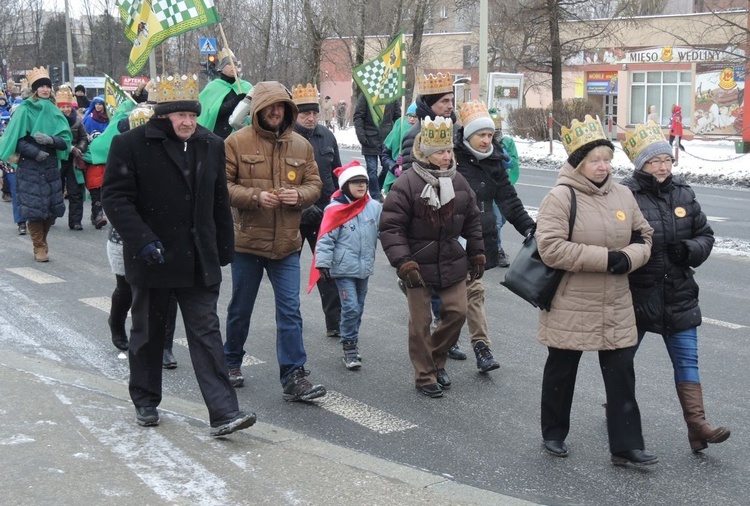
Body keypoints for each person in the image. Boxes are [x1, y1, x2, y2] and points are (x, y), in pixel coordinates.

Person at [102, 74, 255, 436]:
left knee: (206, 334)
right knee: (148, 334)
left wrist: (223, 247)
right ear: (162, 115)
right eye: (180, 115)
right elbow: (116, 198)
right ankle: (145, 399)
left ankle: (223, 412)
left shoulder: (211, 144)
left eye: (192, 115)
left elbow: (219, 198)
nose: (188, 122)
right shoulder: (131, 144)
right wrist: (142, 240)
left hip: (199, 260)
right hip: (152, 259)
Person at [536, 115, 656, 466]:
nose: (603, 167)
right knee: (562, 369)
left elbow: (644, 238)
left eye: (607, 159)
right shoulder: (560, 197)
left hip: (616, 301)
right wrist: (606, 259)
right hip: (571, 300)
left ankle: (626, 446)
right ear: (579, 163)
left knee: (622, 375)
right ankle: (554, 433)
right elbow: (551, 248)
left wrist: (628, 259)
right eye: (595, 160)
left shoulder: (623, 194)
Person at [621, 121, 730, 453]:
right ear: (641, 164)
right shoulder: (625, 195)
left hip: (680, 292)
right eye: (654, 161)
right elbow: (613, 240)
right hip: (638, 293)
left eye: (666, 159)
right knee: (623, 361)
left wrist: (690, 251)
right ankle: (618, 411)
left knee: (687, 361)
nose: (663, 166)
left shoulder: (684, 193)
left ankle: (698, 427)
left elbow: (705, 235)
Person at [223, 80, 327, 402]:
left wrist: (300, 196)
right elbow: (223, 186)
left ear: (287, 110)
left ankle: (294, 377)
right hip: (247, 244)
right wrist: (256, 196)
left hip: (286, 245)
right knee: (241, 308)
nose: (275, 112)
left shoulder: (300, 145)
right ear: (258, 110)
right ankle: (230, 363)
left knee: (290, 311)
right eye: (269, 107)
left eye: (280, 107)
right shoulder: (235, 142)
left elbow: (315, 183)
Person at [379, 116, 484, 398]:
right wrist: (404, 262)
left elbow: (472, 221)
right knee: (421, 322)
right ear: (424, 152)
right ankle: (425, 375)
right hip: (417, 263)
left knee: (457, 313)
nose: (447, 156)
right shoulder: (407, 184)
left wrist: (477, 254)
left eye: (449, 150)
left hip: (451, 258)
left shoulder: (459, 181)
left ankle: (436, 360)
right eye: (440, 151)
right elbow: (391, 227)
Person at [454, 101, 535, 372]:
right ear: (468, 136)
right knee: (452, 300)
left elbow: (508, 199)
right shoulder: (451, 157)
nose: (487, 140)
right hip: (451, 238)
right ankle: (444, 340)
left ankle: (482, 348)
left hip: (480, 237)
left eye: (490, 135)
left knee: (474, 293)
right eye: (481, 135)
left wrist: (527, 227)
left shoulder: (495, 161)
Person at [106, 104, 180, 369]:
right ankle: (117, 324)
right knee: (128, 290)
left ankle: (165, 346)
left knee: (168, 293)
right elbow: (116, 199)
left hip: (161, 238)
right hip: (124, 238)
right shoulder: (123, 152)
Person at [313, 161, 382, 369]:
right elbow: (325, 238)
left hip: (364, 267)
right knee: (350, 307)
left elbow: (388, 230)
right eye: (355, 183)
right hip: (343, 269)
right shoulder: (335, 210)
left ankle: (352, 340)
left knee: (358, 308)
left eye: (364, 182)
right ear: (345, 185)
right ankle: (349, 347)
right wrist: (322, 263)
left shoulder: (374, 207)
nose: (361, 186)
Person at [0, 67, 72, 262]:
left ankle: (43, 239)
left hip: (49, 165)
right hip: (30, 165)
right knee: (35, 210)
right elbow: (17, 139)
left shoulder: (55, 110)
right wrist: (35, 152)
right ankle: (38, 245)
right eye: (41, 87)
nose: (45, 90)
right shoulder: (24, 109)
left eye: (47, 86)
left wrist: (50, 140)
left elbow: (65, 139)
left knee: (51, 210)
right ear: (35, 89)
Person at [292, 83, 343, 339]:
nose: (311, 118)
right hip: (293, 216)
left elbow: (337, 173)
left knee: (328, 270)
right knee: (288, 271)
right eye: (305, 114)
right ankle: (290, 323)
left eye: (314, 113)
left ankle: (335, 322)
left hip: (326, 214)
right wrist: (303, 205)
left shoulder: (327, 136)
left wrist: (340, 204)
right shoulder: (286, 137)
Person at [353, 92, 400, 199]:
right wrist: (361, 136)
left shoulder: (391, 96)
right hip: (369, 139)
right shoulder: (366, 95)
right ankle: (375, 196)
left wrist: (397, 136)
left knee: (387, 168)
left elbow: (397, 117)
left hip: (387, 140)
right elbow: (358, 116)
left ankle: (377, 187)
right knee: (372, 170)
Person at [197, 48, 252, 139]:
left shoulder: (246, 87)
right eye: (229, 64)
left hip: (241, 137)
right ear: (222, 68)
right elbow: (212, 113)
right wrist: (234, 101)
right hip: (219, 137)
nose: (233, 67)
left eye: (235, 64)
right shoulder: (213, 87)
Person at [488, 108, 520, 268]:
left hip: (504, 186)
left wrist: (504, 154)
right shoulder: (484, 143)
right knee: (497, 221)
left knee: (504, 217)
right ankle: (496, 249)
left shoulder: (507, 142)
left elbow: (512, 162)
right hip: (490, 188)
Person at [55, 85, 89, 231]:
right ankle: (50, 217)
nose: (66, 110)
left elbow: (84, 138)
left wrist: (80, 148)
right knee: (55, 190)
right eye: (62, 107)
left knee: (75, 192)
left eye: (68, 107)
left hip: (74, 160)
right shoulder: (53, 121)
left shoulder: (77, 120)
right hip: (57, 159)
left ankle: (75, 221)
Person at [379, 102, 418, 195]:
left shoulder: (424, 130)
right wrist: (394, 167)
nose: (412, 119)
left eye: (415, 116)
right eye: (409, 116)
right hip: (396, 180)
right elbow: (385, 156)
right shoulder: (399, 126)